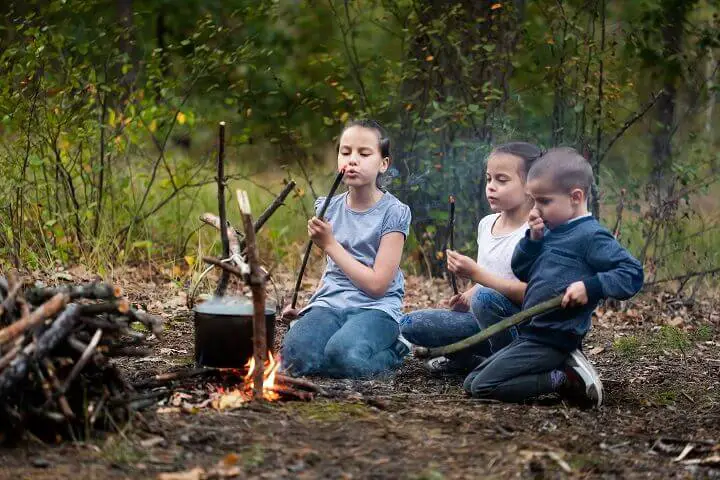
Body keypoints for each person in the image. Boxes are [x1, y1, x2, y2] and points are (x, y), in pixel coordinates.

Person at [463, 147, 644, 407]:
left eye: (544, 202)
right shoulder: (549, 230)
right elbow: (522, 270)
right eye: (534, 201)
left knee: (482, 387)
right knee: (471, 383)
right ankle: (558, 370)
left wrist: (589, 287)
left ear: (575, 197)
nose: (536, 209)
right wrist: (533, 241)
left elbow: (632, 273)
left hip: (555, 337)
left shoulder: (591, 237)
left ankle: (562, 378)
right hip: (532, 332)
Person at [280, 119, 412, 378]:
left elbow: (377, 286)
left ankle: (396, 348)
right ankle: (331, 341)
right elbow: (333, 270)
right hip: (330, 305)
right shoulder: (328, 207)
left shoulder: (394, 213)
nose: (352, 160)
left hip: (375, 309)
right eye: (345, 152)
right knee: (295, 359)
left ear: (383, 163)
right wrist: (310, 307)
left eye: (364, 154)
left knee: (343, 358)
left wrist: (330, 244)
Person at [399, 142, 543, 375]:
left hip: (521, 325)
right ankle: (472, 361)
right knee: (410, 324)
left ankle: (514, 365)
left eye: (502, 180)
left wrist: (477, 275)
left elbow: (533, 293)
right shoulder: (487, 225)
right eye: (488, 179)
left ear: (530, 186)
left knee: (485, 299)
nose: (491, 187)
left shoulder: (535, 232)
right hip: (485, 319)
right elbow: (490, 277)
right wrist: (468, 295)